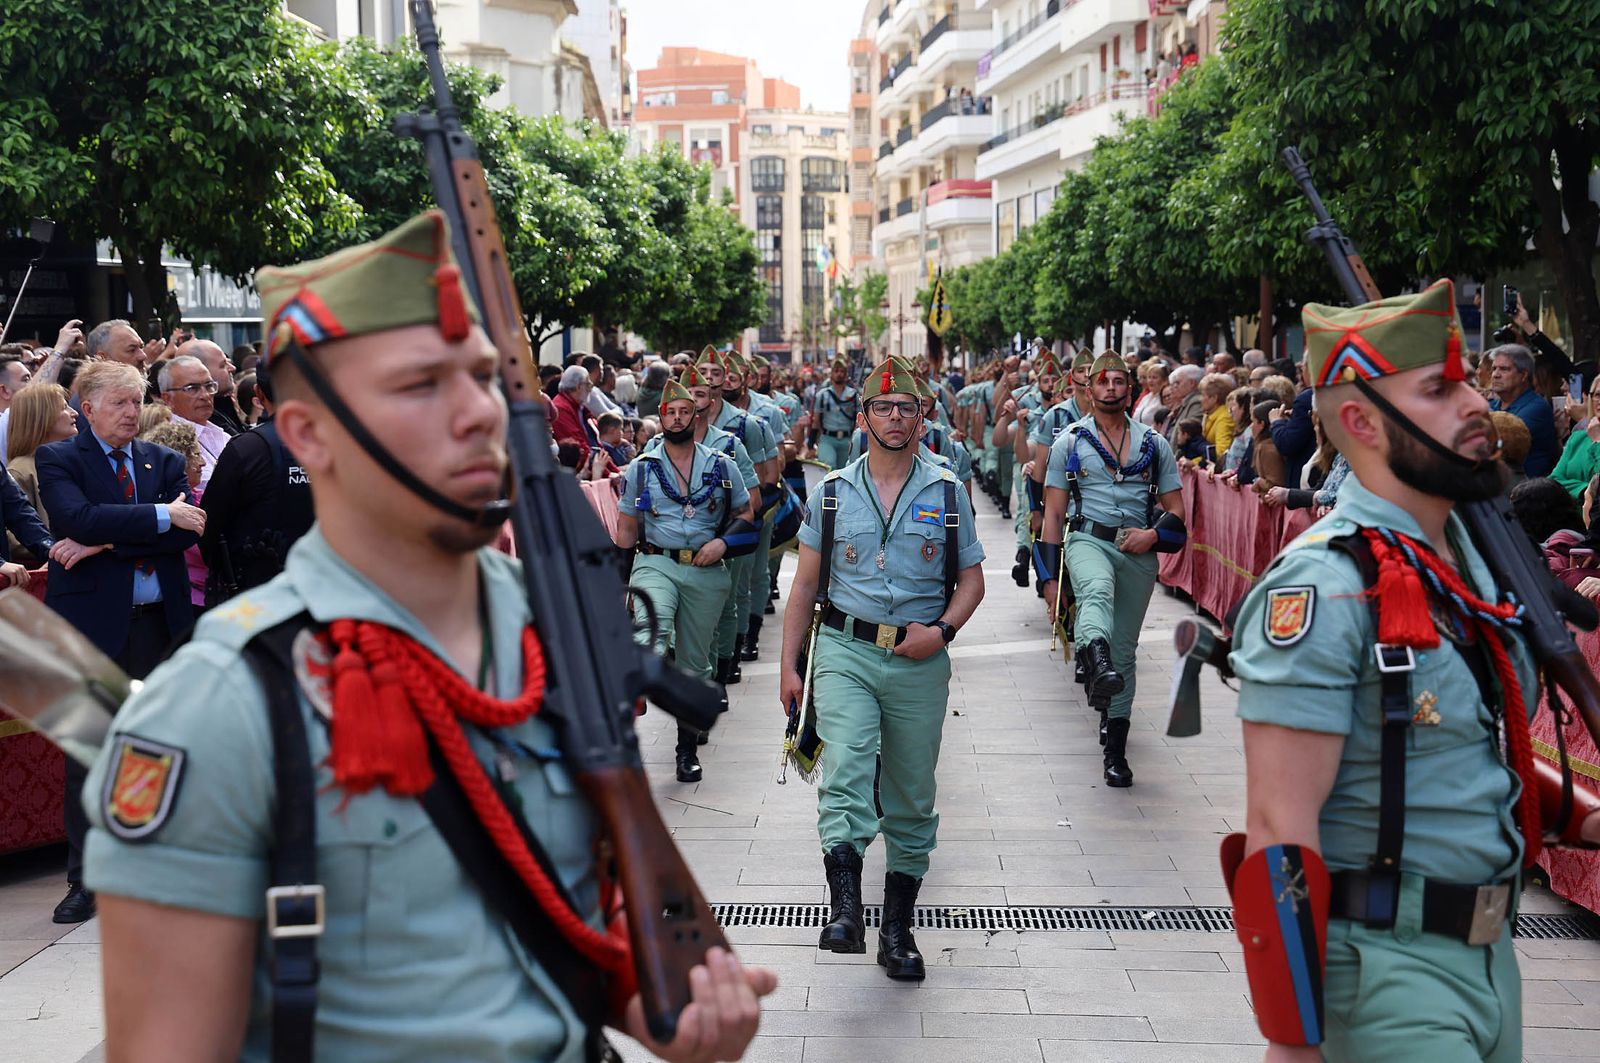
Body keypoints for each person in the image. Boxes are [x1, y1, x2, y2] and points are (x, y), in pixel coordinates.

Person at [81, 210, 774, 1061]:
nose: (478, 412)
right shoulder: (220, 704)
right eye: (421, 385)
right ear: (308, 433)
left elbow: (573, 905)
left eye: (485, 376)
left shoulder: (553, 632)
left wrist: (654, 1000)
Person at [1228, 279, 1548, 1061]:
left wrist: (1578, 811)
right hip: (1387, 974)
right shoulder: (1326, 586)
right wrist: (1293, 1036)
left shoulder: (1467, 559)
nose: (1476, 402)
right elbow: (1277, 827)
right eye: (1441, 389)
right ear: (1364, 421)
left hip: (1491, 960)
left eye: (1471, 378)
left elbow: (1462, 752)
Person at [779, 358, 985, 982]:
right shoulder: (834, 492)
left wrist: (943, 631)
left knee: (911, 794)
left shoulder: (947, 492)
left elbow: (972, 580)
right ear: (863, 418)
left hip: (920, 657)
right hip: (845, 649)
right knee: (845, 763)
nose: (897, 417)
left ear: (924, 418)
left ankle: (898, 929)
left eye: (908, 408)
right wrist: (789, 668)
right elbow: (806, 584)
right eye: (884, 408)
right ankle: (845, 910)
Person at [39, 358, 204, 923]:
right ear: (87, 410)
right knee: (89, 752)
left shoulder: (162, 460)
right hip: (92, 629)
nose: (133, 413)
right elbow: (77, 519)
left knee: (162, 749)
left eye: (137, 402)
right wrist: (157, 518)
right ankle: (87, 879)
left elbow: (188, 535)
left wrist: (105, 544)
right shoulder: (58, 457)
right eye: (120, 403)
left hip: (162, 624)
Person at [1036, 353, 1185, 786]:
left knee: (1126, 652)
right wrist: (1049, 581)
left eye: (1120, 382)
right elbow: (1053, 515)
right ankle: (1094, 661)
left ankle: (1115, 751)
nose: (1111, 388)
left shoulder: (1155, 444)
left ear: (1131, 390)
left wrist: (1153, 536)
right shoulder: (1069, 440)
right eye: (1104, 382)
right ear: (1090, 389)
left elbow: (1177, 511)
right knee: (1096, 589)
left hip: (1138, 548)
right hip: (1088, 538)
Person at [616, 377, 753, 783]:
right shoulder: (641, 468)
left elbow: (747, 514)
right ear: (660, 419)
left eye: (683, 411)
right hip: (655, 563)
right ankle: (627, 741)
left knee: (696, 661)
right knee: (649, 637)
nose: (677, 418)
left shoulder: (722, 464)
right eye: (669, 412)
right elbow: (625, 530)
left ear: (697, 416)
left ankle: (686, 751)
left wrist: (724, 544)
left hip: (706, 570)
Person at [199, 363, 315, 600]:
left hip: (259, 591)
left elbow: (210, 524)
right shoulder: (338, 442)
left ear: (259, 395)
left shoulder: (246, 449)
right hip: (320, 581)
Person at [156, 355, 231, 489]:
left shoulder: (223, 435)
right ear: (167, 399)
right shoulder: (166, 443)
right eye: (192, 388)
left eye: (209, 386)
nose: (205, 395)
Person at [1487, 343, 1556, 477]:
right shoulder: (1493, 405)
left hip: (1525, 489)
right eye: (1494, 368)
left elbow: (1498, 439)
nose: (1495, 374)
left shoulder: (1537, 408)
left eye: (1504, 369)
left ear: (1524, 375)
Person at [1550, 373, 1600, 498]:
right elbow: (1553, 481)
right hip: (1572, 515)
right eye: (1598, 395)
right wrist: (1585, 490)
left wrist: (1598, 442)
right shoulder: (1578, 437)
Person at [811, 357, 860, 469]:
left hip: (847, 438)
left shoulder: (853, 395)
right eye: (836, 371)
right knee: (829, 466)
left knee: (847, 470)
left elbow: (858, 419)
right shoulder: (823, 395)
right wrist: (811, 444)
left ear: (846, 374)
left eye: (842, 371)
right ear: (831, 374)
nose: (839, 374)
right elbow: (816, 420)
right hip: (828, 438)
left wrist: (855, 438)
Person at [549, 364, 598, 466]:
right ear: (578, 386)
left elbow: (596, 448)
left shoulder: (580, 408)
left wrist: (614, 471)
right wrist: (609, 474)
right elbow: (579, 447)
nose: (590, 389)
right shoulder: (561, 408)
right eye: (588, 384)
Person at [1163, 364, 1203, 444]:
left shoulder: (1196, 402)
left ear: (1192, 383)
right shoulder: (1186, 401)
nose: (1174, 386)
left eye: (1177, 383)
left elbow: (1188, 433)